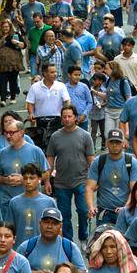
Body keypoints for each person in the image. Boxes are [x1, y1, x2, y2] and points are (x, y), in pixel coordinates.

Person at [46, 103, 95, 242]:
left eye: (70, 116)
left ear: (75, 118)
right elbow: (50, 158)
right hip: (61, 182)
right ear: (61, 119)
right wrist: (47, 180)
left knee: (83, 211)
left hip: (81, 181)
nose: (67, 119)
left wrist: (93, 181)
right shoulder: (55, 137)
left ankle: (83, 237)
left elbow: (91, 160)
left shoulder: (85, 136)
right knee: (64, 215)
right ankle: (68, 242)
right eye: (64, 117)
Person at [86, 130, 137, 226]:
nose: (115, 145)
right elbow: (89, 187)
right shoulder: (98, 161)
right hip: (104, 212)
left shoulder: (132, 162)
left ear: (123, 143)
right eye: (112, 142)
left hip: (126, 212)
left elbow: (135, 189)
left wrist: (125, 208)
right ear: (107, 143)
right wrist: (91, 207)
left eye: (118, 142)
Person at [0, 19, 26, 105]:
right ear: (1, 27)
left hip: (14, 63)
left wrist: (16, 42)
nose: (5, 28)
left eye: (7, 26)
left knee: (13, 80)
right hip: (0, 63)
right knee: (2, 81)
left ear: (10, 27)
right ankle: (3, 99)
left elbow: (24, 45)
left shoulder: (15, 35)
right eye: (3, 27)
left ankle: (13, 97)